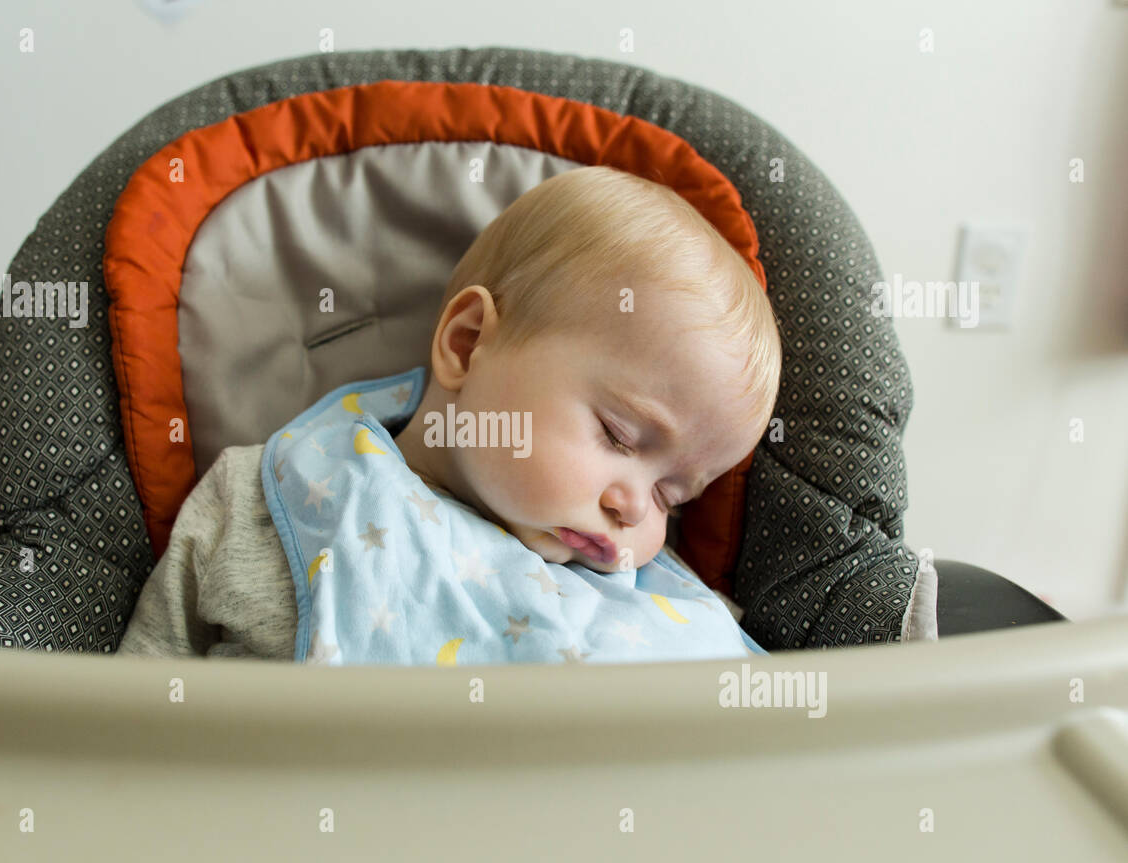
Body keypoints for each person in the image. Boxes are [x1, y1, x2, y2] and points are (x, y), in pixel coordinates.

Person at [116, 165, 782, 662]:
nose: (635, 509)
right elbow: (127, 719)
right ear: (467, 344)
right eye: (617, 434)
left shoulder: (651, 605)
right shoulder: (270, 503)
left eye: (673, 496)